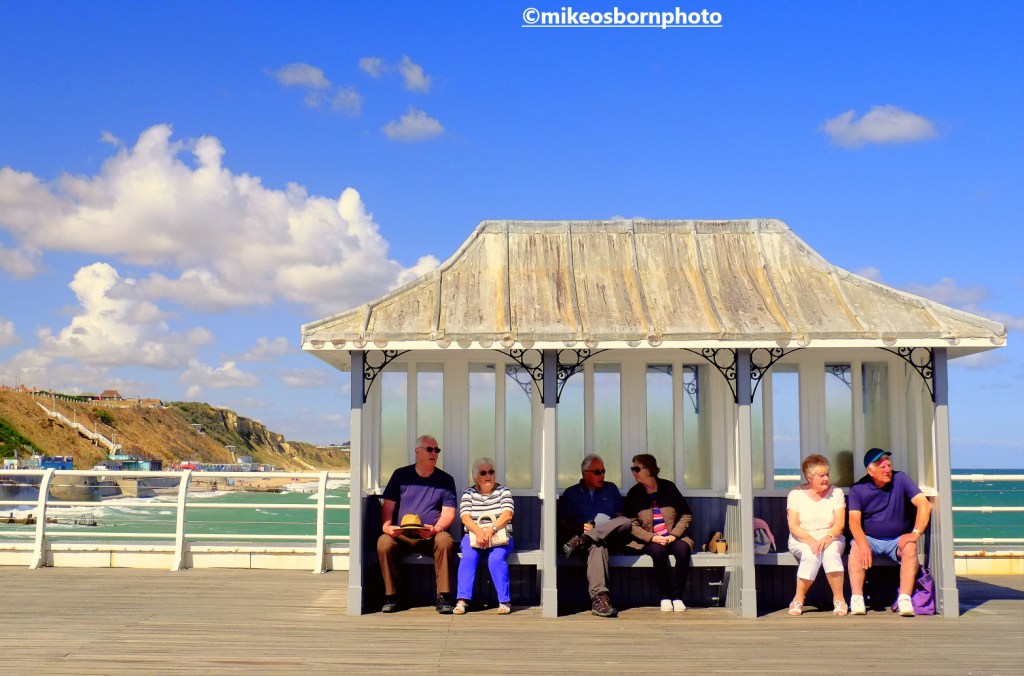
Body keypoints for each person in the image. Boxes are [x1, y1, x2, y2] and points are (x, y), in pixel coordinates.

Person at [376, 434, 458, 614]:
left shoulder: (445, 480)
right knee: (384, 542)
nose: (434, 453)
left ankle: (443, 597)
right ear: (417, 452)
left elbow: (448, 513)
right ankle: (392, 597)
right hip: (402, 536)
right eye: (429, 449)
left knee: (445, 540)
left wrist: (437, 528)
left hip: (431, 535)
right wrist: (386, 527)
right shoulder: (401, 475)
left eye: (437, 450)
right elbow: (388, 506)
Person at [848, 448, 932, 617]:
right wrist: (863, 544)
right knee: (856, 547)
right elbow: (854, 522)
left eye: (889, 465)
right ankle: (857, 598)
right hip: (870, 539)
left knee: (910, 547)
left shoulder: (901, 479)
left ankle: (905, 599)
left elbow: (924, 505)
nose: (887, 470)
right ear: (870, 471)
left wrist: (915, 533)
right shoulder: (858, 489)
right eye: (882, 466)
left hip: (897, 540)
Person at [558, 454, 634, 618]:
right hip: (583, 545)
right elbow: (562, 524)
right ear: (585, 474)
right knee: (598, 545)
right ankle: (599, 599)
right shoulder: (571, 493)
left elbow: (620, 519)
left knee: (626, 521)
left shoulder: (611, 489)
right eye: (597, 472)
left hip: (604, 539)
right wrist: (579, 528)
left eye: (603, 471)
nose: (602, 475)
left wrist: (592, 533)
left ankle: (585, 538)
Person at [623, 454, 694, 612]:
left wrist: (673, 535)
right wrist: (653, 537)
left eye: (636, 469)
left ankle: (677, 596)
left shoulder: (669, 487)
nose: (633, 473)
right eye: (632, 469)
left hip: (673, 536)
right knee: (658, 552)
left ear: (649, 469)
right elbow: (631, 524)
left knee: (683, 550)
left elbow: (686, 515)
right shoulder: (634, 493)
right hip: (649, 540)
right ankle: (665, 596)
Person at [785, 454, 847, 616]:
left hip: (831, 537)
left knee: (831, 553)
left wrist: (826, 539)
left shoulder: (837, 493)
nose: (826, 478)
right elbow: (793, 526)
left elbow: (839, 525)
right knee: (811, 555)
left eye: (827, 474)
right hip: (802, 539)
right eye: (821, 475)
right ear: (809, 477)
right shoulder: (795, 494)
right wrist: (812, 541)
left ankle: (839, 599)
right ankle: (798, 599)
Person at [453, 457, 515, 615]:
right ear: (475, 477)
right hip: (474, 536)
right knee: (468, 557)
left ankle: (504, 601)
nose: (488, 475)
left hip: (500, 537)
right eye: (483, 472)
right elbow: (465, 517)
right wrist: (479, 531)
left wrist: (491, 529)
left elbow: (507, 515)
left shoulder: (503, 491)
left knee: (495, 559)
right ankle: (462, 600)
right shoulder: (469, 493)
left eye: (491, 472)